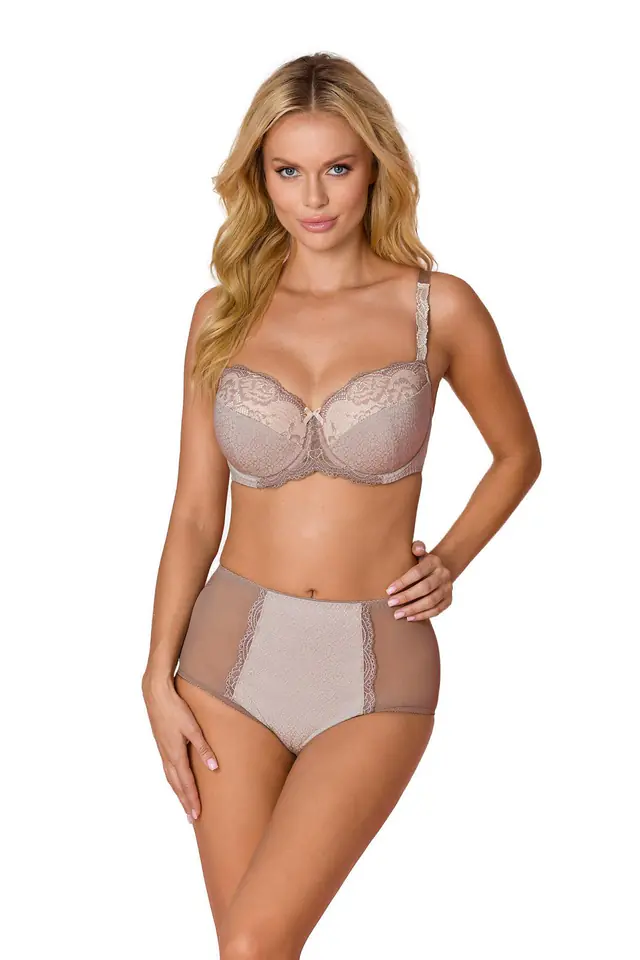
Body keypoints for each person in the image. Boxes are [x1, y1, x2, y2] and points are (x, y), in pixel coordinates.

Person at [142, 51, 541, 960]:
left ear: (375, 168)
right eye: (288, 171)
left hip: (376, 666)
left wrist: (452, 558)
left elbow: (518, 454)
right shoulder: (221, 315)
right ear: (259, 176)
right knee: (250, 953)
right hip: (227, 661)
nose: (313, 197)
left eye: (337, 168)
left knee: (255, 940)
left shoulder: (439, 309)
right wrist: (155, 676)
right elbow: (195, 511)